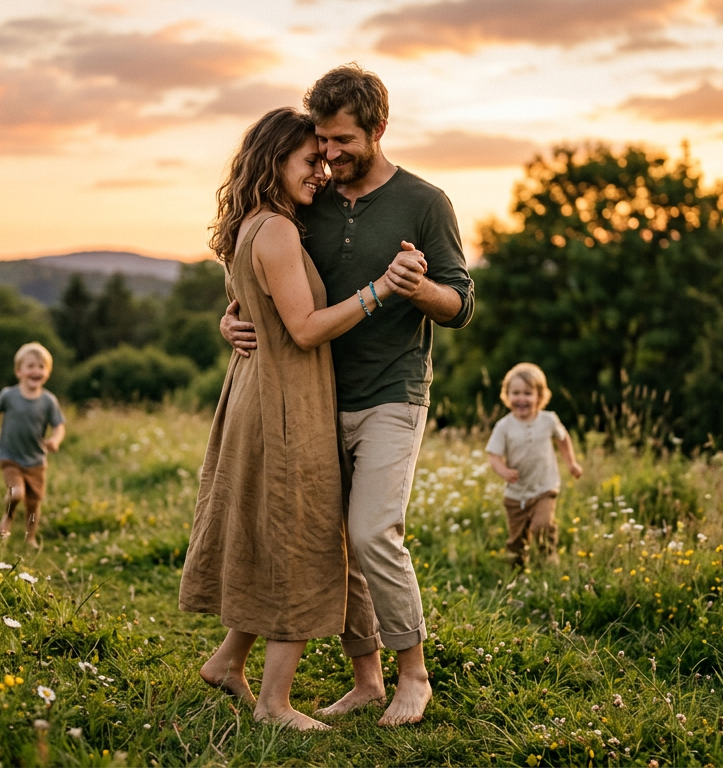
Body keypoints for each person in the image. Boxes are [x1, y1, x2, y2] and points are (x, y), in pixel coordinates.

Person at [221, 64, 475, 726]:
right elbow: (266, 273)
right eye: (322, 144)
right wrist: (229, 316)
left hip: (393, 390)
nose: (329, 157)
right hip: (315, 396)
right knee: (333, 543)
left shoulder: (425, 202)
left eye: (342, 142)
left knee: (372, 531)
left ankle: (411, 675)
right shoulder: (312, 200)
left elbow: (460, 302)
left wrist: (419, 291)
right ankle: (366, 680)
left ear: (378, 129)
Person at [178, 107, 404, 732]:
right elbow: (304, 330)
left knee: (272, 533)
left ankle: (228, 661)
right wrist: (380, 288)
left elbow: (249, 307)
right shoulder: (276, 231)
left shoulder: (252, 225)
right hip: (285, 402)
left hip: (261, 390)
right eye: (310, 161)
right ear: (274, 160)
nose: (322, 172)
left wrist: (229, 320)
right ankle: (274, 704)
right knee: (301, 543)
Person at [486, 363, 583, 568]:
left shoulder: (548, 420)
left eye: (528, 393)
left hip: (545, 487)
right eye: (516, 393)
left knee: (542, 526)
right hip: (516, 494)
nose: (521, 398)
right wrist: (503, 471)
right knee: (516, 541)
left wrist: (571, 463)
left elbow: (563, 439)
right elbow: (493, 455)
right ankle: (518, 571)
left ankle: (548, 557)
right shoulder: (504, 426)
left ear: (540, 396)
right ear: (507, 395)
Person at [0, 342, 66, 545]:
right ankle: (8, 516)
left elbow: (59, 425)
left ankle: (30, 537)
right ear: (19, 371)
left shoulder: (48, 401)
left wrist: (55, 440)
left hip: (36, 461)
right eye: (31, 366)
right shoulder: (9, 395)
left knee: (33, 504)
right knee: (16, 493)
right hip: (10, 457)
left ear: (48, 372)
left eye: (41, 367)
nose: (36, 370)